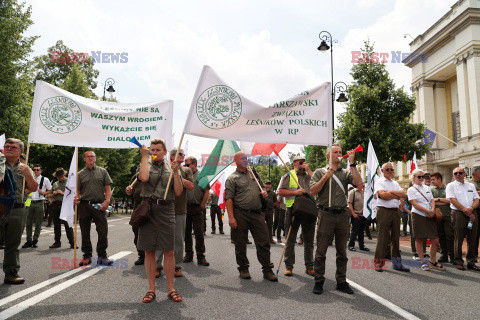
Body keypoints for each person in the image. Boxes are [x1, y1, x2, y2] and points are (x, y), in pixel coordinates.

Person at [309, 144, 362, 295]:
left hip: (343, 215)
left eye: (340, 152)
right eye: (335, 152)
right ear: (328, 155)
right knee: (321, 250)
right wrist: (326, 177)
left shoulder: (346, 172)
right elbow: (312, 191)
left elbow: (358, 183)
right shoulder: (320, 172)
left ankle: (341, 281)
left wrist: (352, 164)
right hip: (326, 214)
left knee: (342, 251)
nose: (339, 154)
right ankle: (319, 280)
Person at [136, 139, 183, 303]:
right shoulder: (145, 163)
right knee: (149, 250)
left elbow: (178, 191)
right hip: (149, 209)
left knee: (168, 250)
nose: (154, 152)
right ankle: (151, 289)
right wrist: (144, 157)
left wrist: (177, 173)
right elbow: (143, 178)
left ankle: (171, 289)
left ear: (164, 152)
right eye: (152, 150)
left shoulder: (172, 167)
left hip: (167, 209)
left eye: (157, 150)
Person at [225, 151, 278, 281]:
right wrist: (231, 217)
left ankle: (267, 269)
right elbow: (229, 199)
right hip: (240, 214)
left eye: (246, 158)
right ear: (235, 161)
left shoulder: (254, 174)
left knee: (264, 241)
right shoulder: (232, 178)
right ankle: (243, 268)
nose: (245, 160)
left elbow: (263, 189)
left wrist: (264, 193)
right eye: (242, 158)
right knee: (240, 243)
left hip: (257, 213)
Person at [0, 138, 38, 284]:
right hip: (0, 207)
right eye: (7, 146)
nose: (9, 148)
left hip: (18, 209)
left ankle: (11, 272)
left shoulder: (25, 167)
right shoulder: (0, 164)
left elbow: (34, 188)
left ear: (21, 151)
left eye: (13, 147)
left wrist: (28, 173)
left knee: (13, 244)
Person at [156, 148, 194, 278]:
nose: (183, 156)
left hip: (180, 209)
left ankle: (177, 266)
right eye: (181, 154)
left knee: (178, 239)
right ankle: (157, 266)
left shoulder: (186, 170)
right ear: (172, 156)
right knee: (160, 239)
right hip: (163, 209)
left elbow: (191, 186)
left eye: (184, 154)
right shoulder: (164, 167)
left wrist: (177, 175)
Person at [74, 151, 113, 266]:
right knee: (85, 232)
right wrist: (75, 198)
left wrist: (107, 201)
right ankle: (87, 256)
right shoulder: (80, 174)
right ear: (84, 159)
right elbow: (77, 190)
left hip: (99, 205)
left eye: (92, 156)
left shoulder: (103, 171)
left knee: (102, 231)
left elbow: (107, 188)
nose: (90, 158)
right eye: (88, 156)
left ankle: (102, 256)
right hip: (85, 205)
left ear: (95, 158)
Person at [278, 155, 315, 277]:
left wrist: (309, 170)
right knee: (290, 240)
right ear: (294, 164)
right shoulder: (288, 175)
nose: (303, 165)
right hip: (293, 210)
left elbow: (320, 184)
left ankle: (309, 266)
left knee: (309, 241)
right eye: (300, 163)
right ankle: (289, 266)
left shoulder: (311, 175)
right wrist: (295, 192)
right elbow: (281, 192)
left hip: (309, 211)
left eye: (304, 162)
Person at [373, 163, 410, 272]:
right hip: (384, 210)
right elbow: (382, 196)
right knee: (382, 238)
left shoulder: (395, 183)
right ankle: (378, 263)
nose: (390, 171)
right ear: (383, 171)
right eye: (387, 169)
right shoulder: (379, 182)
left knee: (395, 239)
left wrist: (391, 192)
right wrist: (395, 194)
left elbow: (403, 194)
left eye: (391, 169)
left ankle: (397, 264)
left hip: (395, 211)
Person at [407, 169, 444, 271]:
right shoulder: (411, 189)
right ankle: (423, 262)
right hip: (418, 215)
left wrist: (432, 210)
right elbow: (414, 203)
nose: (421, 179)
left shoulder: (427, 188)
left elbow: (432, 200)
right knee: (419, 239)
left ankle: (432, 261)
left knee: (435, 240)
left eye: (422, 176)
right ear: (414, 178)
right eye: (419, 177)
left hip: (430, 215)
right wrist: (427, 211)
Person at [446, 167, 480, 271]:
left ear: (464, 174)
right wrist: (465, 209)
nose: (458, 175)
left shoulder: (471, 185)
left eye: (460, 173)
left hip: (472, 212)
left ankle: (471, 261)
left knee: (472, 238)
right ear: (453, 175)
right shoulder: (450, 185)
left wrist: (471, 208)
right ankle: (458, 261)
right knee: (458, 237)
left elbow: (476, 199)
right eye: (455, 173)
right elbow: (452, 200)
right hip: (458, 213)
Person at [183, 156, 210, 266]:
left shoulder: (202, 176)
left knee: (199, 233)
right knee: (186, 233)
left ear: (194, 164)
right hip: (185, 208)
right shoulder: (183, 175)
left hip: (197, 207)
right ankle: (188, 255)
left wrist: (202, 206)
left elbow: (207, 192)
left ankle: (201, 256)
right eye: (185, 165)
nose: (185, 166)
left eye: (187, 164)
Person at [22, 164, 51, 249]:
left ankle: (35, 240)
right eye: (34, 169)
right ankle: (28, 240)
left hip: (39, 202)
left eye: (37, 170)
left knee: (38, 223)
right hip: (29, 202)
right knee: (28, 223)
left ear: (41, 170)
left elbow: (50, 190)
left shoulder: (45, 179)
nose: (35, 171)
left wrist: (44, 193)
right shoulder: (28, 178)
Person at [430, 172, 454, 263]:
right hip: (437, 216)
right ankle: (444, 255)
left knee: (450, 235)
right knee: (441, 236)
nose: (432, 181)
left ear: (439, 179)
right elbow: (431, 201)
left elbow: (450, 200)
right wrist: (442, 201)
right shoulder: (432, 190)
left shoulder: (447, 188)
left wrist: (437, 200)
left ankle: (452, 255)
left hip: (448, 215)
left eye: (433, 179)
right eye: (431, 180)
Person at [48, 168, 74, 249]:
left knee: (67, 225)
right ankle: (57, 242)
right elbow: (50, 195)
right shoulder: (55, 183)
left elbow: (73, 194)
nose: (59, 178)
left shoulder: (69, 182)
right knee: (56, 224)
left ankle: (72, 242)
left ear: (64, 175)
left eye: (60, 176)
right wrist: (53, 194)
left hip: (65, 205)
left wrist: (62, 193)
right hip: (56, 205)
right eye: (57, 177)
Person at [347, 182, 369, 252]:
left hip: (363, 215)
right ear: (357, 184)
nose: (362, 184)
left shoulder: (364, 192)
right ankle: (351, 245)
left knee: (361, 231)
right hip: (356, 214)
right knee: (354, 231)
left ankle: (361, 246)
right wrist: (353, 213)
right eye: (361, 183)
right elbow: (349, 203)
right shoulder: (352, 192)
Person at [470, 166, 480, 261]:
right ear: (475, 173)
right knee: (474, 233)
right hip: (475, 210)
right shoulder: (470, 183)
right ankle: (473, 253)